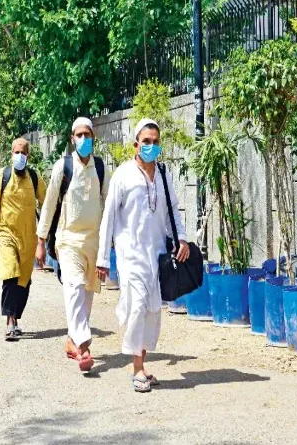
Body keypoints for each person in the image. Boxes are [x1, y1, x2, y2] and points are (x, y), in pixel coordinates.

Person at [96, 118, 190, 393]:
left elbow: (172, 207)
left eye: (155, 141)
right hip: (130, 254)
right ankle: (136, 368)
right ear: (135, 145)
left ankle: (142, 364)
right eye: (146, 141)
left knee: (152, 311)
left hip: (157, 253)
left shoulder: (162, 173)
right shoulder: (123, 175)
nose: (150, 146)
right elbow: (109, 217)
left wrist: (181, 238)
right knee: (137, 306)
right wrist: (103, 258)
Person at [36, 118, 110, 371]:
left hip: (93, 242)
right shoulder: (62, 166)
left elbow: (109, 205)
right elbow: (48, 204)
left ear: (93, 137)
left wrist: (110, 243)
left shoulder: (100, 167)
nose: (83, 139)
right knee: (75, 288)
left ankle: (71, 340)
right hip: (67, 240)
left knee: (87, 294)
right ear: (72, 139)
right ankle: (84, 346)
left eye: (87, 135)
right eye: (79, 135)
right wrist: (41, 240)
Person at [0, 138, 47, 340]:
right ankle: (9, 322)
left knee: (23, 281)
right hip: (6, 234)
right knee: (10, 274)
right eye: (16, 152)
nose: (19, 156)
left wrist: (49, 235)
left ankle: (15, 318)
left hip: (28, 238)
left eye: (23, 153)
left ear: (28, 156)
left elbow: (47, 203)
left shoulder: (34, 178)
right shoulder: (2, 176)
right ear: (11, 154)